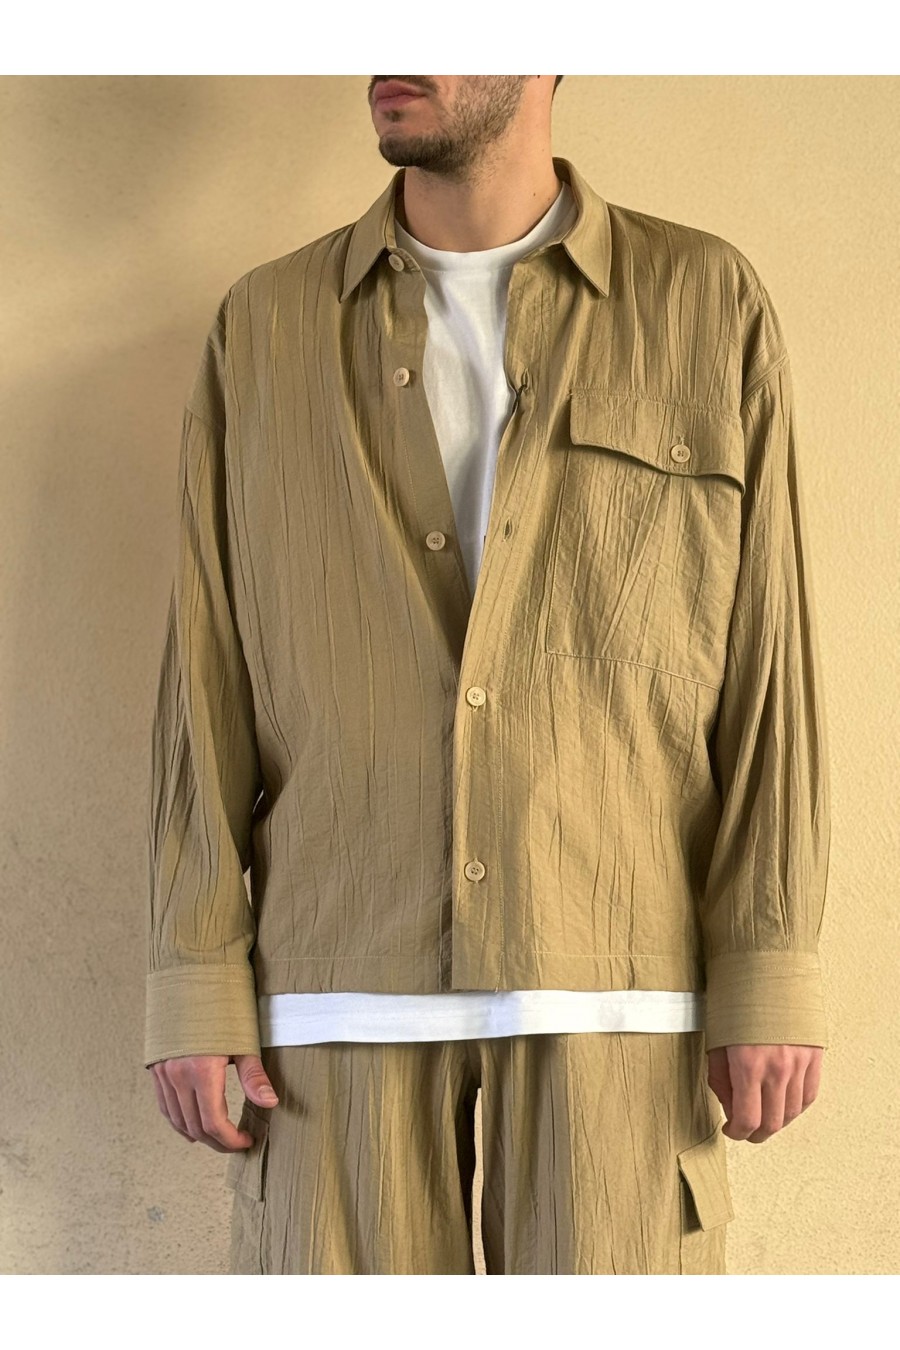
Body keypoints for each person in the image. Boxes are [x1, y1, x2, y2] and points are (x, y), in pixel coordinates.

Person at [143, 75, 830, 1275]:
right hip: (335, 988)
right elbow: (204, 669)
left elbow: (769, 661)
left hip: (617, 986)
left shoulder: (703, 303)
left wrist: (768, 967)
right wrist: (193, 974)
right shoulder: (265, 325)